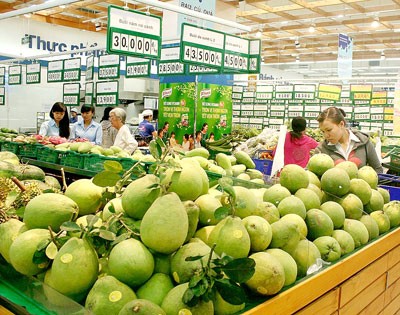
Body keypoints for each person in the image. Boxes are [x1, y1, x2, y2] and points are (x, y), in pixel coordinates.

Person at [315, 106, 383, 173]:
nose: (326, 135)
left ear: (341, 124)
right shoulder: (321, 149)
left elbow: (377, 170)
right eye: (323, 131)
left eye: (329, 130)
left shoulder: (364, 141)